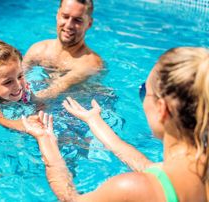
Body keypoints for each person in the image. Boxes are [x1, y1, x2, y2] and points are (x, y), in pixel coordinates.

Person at [22, 47, 209, 201]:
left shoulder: (130, 189)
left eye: (143, 91)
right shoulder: (198, 169)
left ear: (162, 109)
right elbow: (148, 166)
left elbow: (71, 198)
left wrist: (47, 141)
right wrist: (95, 121)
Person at [23, 0, 103, 99]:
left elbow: (52, 92)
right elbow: (15, 77)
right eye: (65, 16)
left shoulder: (89, 63)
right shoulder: (38, 49)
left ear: (89, 24)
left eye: (77, 20)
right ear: (57, 15)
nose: (69, 25)